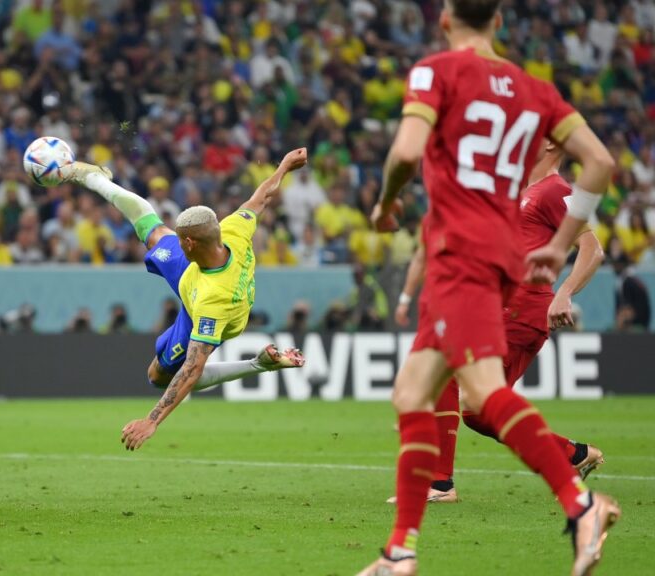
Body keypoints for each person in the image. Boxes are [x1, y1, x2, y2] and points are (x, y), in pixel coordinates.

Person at [357, 2, 619, 574]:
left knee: (480, 396)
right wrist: (560, 243)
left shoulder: (435, 71)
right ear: (499, 23)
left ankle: (581, 507)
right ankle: (400, 550)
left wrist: (385, 204)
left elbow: (404, 152)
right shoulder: (535, 92)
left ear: (447, 21)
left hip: (462, 255)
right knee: (413, 392)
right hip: (494, 257)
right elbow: (599, 161)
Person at [389, 143, 607, 508]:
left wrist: (564, 293)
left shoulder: (558, 191)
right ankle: (572, 454)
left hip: (524, 309)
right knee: (478, 412)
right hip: (499, 307)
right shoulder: (520, 192)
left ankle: (440, 483)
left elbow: (592, 249)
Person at [69, 149, 309, 452]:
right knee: (152, 229)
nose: (177, 239)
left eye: (181, 237)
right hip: (195, 272)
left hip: (207, 304)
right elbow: (261, 197)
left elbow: (193, 370)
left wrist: (152, 419)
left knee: (158, 375)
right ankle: (95, 178)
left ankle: (256, 364)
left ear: (190, 242)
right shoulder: (234, 230)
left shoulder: (213, 304)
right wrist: (284, 166)